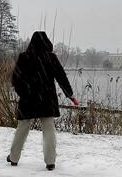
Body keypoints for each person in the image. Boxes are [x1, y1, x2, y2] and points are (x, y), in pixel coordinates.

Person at [7, 31, 79, 171]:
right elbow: (61, 77)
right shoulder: (51, 58)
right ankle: (50, 162)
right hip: (47, 100)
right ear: (47, 43)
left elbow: (16, 79)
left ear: (32, 43)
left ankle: (14, 158)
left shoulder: (24, 57)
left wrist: (24, 93)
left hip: (28, 100)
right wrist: (70, 95)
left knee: (22, 128)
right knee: (48, 129)